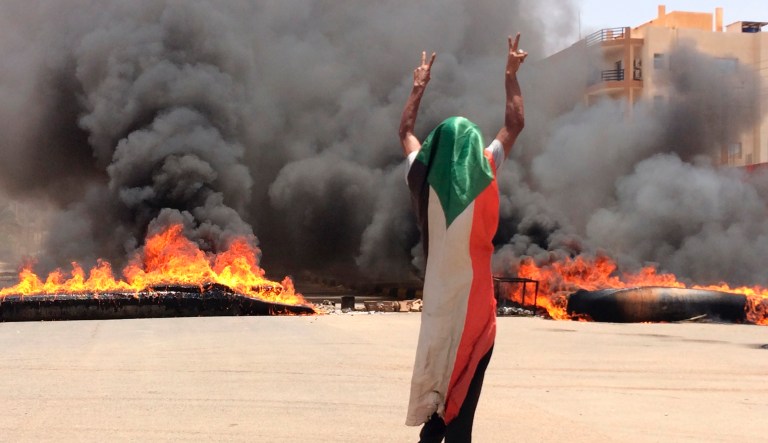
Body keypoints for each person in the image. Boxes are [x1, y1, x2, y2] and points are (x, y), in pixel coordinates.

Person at [399, 34, 527, 442]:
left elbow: (404, 132)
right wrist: (510, 76)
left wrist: (417, 89)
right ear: (473, 149)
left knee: (440, 398)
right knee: (461, 413)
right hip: (476, 316)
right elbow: (514, 124)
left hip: (439, 308)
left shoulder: (420, 175)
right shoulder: (485, 167)